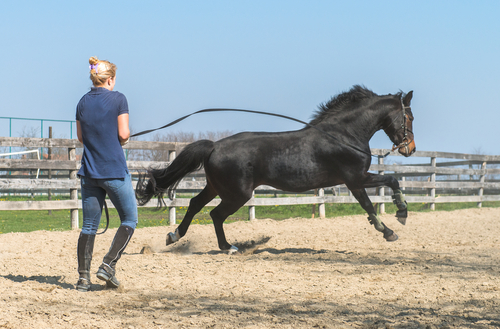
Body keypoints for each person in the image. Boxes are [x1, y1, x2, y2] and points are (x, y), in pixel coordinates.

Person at [75, 56, 138, 292]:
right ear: (110, 79)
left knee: (89, 225)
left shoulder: (82, 101)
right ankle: (108, 265)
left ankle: (83, 279)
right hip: (113, 170)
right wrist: (124, 135)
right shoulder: (119, 99)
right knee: (130, 219)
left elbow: (81, 138)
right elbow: (123, 134)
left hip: (90, 172)